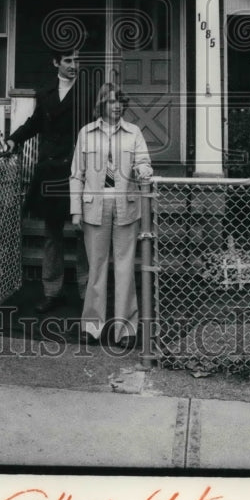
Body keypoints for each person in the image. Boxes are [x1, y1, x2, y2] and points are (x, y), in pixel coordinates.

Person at [69, 83, 153, 349]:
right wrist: (75, 210)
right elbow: (76, 174)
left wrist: (143, 170)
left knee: (126, 267)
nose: (117, 106)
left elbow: (144, 162)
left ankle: (126, 329)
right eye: (112, 102)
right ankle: (92, 327)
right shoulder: (86, 133)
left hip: (125, 205)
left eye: (121, 102)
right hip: (95, 206)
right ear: (102, 104)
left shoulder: (134, 132)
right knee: (96, 268)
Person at [7, 50, 91, 313]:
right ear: (56, 62)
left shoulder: (89, 92)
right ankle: (52, 292)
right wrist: (14, 138)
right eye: (68, 61)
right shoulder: (45, 93)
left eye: (77, 61)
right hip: (50, 171)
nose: (73, 66)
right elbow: (34, 123)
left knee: (84, 233)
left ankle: (88, 292)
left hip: (80, 169)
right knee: (52, 234)